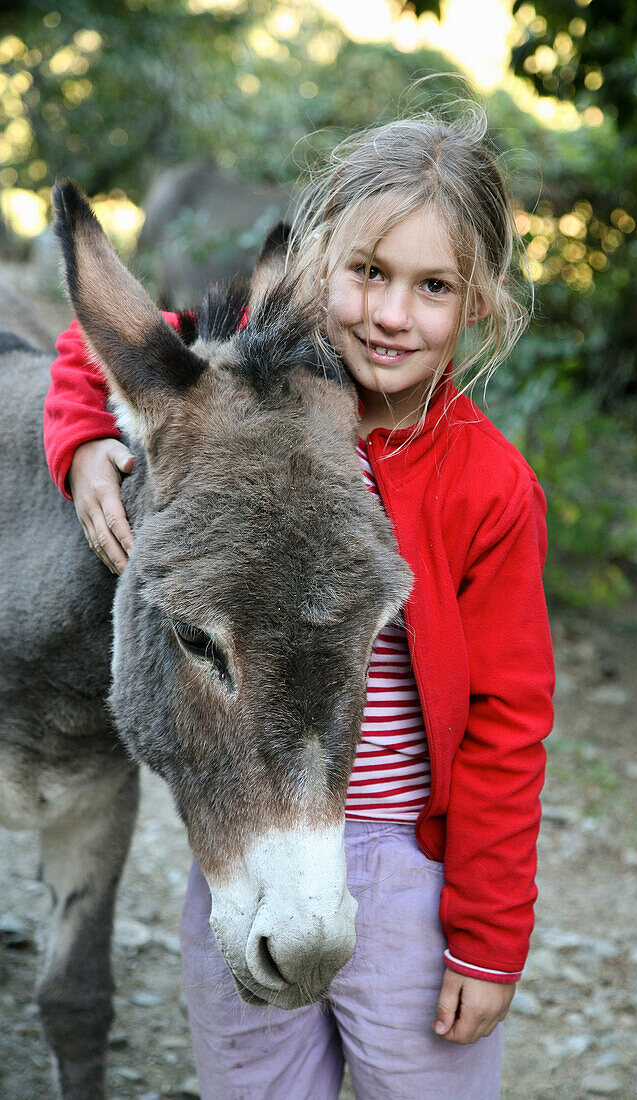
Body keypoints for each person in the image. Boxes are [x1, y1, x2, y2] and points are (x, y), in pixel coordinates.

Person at [43, 107, 555, 1099]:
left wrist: (487, 944)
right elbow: (113, 348)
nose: (389, 315)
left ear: (478, 302)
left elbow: (506, 722)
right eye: (366, 273)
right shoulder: (266, 385)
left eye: (432, 287)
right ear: (318, 264)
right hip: (244, 839)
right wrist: (80, 442)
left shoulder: (490, 488)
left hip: (409, 869)